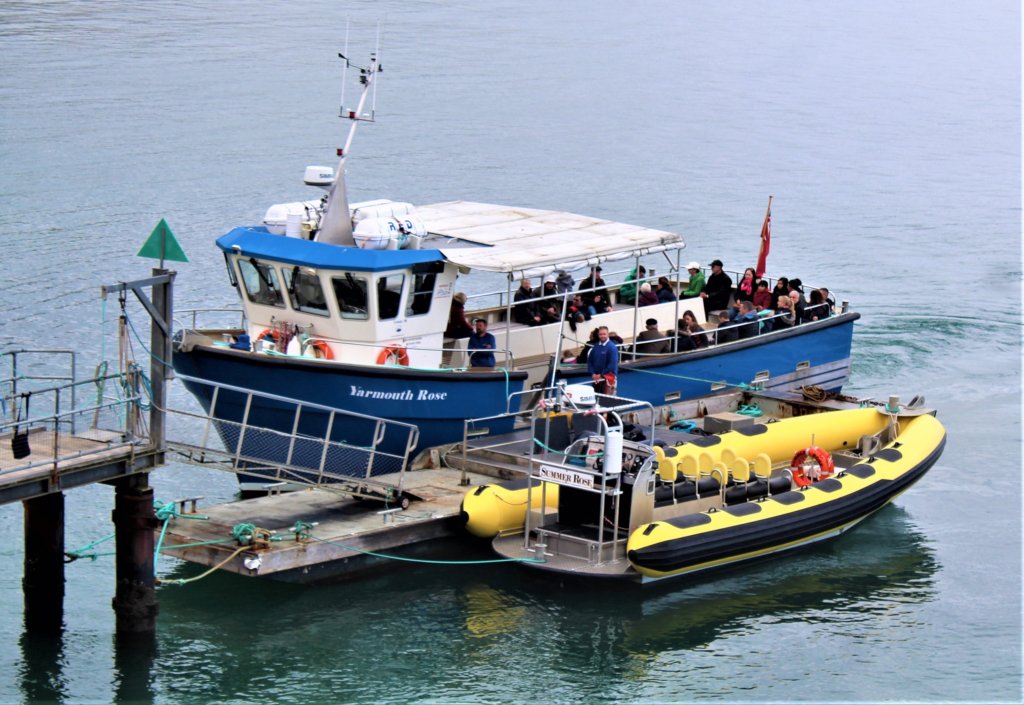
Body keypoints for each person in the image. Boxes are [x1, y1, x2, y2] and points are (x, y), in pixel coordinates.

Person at [587, 326, 619, 395]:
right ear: (598, 335)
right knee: (596, 398)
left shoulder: (612, 347)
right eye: (600, 334)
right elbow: (590, 361)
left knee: (608, 401)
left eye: (604, 334)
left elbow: (612, 365)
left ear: (608, 334)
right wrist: (593, 373)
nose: (602, 336)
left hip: (609, 379)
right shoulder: (595, 347)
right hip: (596, 379)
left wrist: (601, 375)